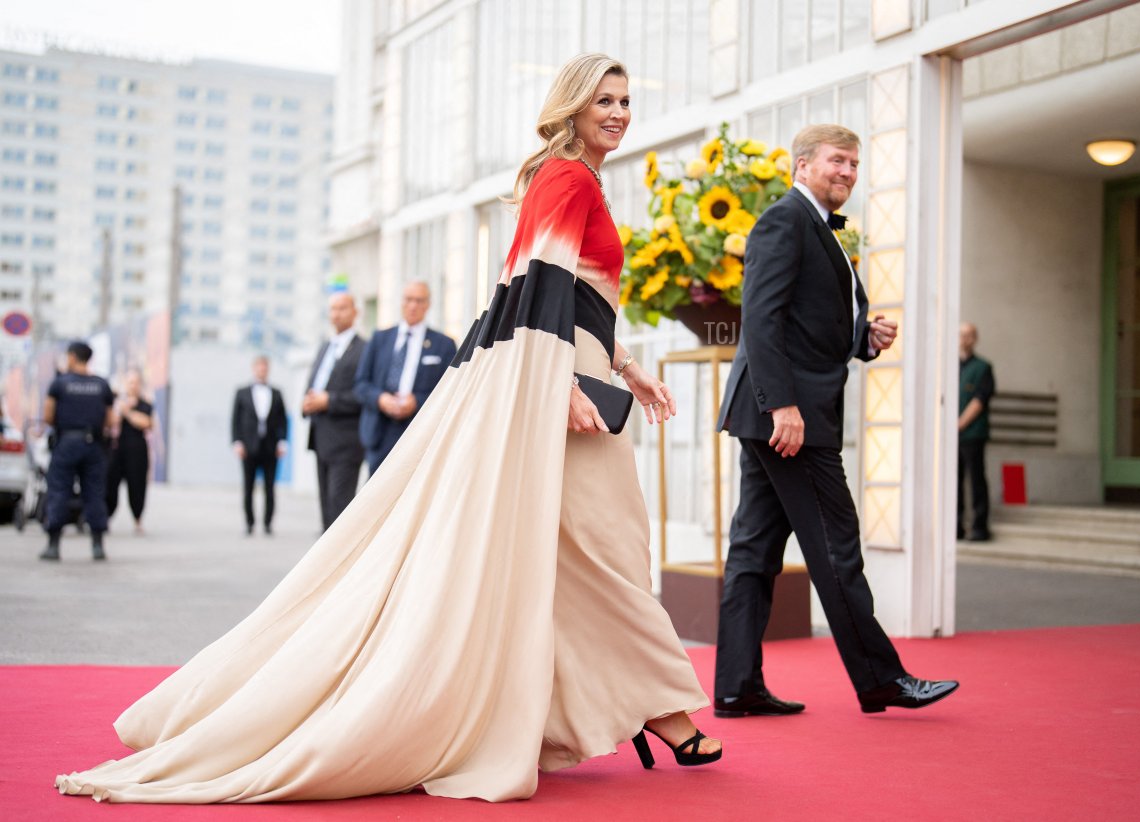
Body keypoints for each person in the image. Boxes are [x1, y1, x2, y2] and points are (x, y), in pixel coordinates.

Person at [55, 53, 719, 806]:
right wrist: (564, 381)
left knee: (574, 549)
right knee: (604, 545)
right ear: (569, 107)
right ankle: (661, 708)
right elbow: (538, 290)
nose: (620, 112)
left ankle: (597, 707)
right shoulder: (566, 178)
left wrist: (626, 367)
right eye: (604, 99)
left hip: (566, 369)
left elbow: (571, 297)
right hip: (554, 380)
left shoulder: (572, 180)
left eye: (626, 100)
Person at [713, 124, 958, 717]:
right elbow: (762, 321)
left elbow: (802, 322)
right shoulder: (784, 220)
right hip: (788, 418)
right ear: (802, 166)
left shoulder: (821, 227)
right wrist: (783, 406)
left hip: (779, 411)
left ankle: (735, 687)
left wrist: (861, 337)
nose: (848, 172)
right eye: (837, 161)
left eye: (854, 164)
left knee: (754, 550)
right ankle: (879, 679)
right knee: (836, 546)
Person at [354, 281, 456, 475]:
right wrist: (381, 399)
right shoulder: (379, 339)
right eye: (409, 300)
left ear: (428, 305)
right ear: (401, 302)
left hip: (419, 433)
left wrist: (416, 401)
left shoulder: (443, 345)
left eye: (419, 301)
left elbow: (450, 392)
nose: (413, 306)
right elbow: (361, 384)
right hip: (380, 431)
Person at [39, 341, 115, 561]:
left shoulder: (60, 384)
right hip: (94, 445)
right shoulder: (101, 385)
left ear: (72, 357)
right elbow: (110, 420)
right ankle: (98, 546)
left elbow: (48, 417)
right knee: (94, 494)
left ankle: (53, 546)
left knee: (59, 491)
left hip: (67, 443)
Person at [302, 293, 366, 530]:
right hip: (320, 438)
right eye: (332, 309)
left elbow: (362, 393)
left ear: (355, 312)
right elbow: (314, 383)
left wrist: (329, 401)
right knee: (326, 507)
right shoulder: (324, 347)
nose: (336, 313)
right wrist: (306, 402)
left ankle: (340, 563)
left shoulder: (363, 349)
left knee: (340, 507)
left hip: (347, 441)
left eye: (342, 308)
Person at [230, 356, 288, 536]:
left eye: (265, 367)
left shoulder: (277, 393)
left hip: (270, 447)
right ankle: (249, 523)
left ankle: (268, 523)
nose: (262, 370)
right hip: (249, 447)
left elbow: (282, 420)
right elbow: (235, 420)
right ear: (254, 368)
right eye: (259, 367)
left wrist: (282, 441)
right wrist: (237, 442)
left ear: (268, 369)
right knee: (248, 487)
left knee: (270, 488)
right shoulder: (242, 392)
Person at [958, 322, 995, 541]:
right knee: (953, 480)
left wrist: (960, 423)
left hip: (973, 433)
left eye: (969, 335)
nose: (964, 339)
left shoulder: (983, 367)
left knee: (976, 479)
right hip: (952, 435)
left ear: (975, 338)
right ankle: (956, 526)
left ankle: (980, 526)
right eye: (961, 335)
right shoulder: (950, 366)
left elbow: (980, 399)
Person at [105, 369, 154, 535]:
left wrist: (128, 412)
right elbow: (111, 422)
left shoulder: (145, 404)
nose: (133, 386)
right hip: (118, 449)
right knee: (111, 484)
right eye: (130, 382)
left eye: (136, 382)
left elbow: (146, 423)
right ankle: (106, 517)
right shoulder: (116, 402)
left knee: (137, 485)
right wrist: (121, 409)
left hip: (137, 450)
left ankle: (138, 519)